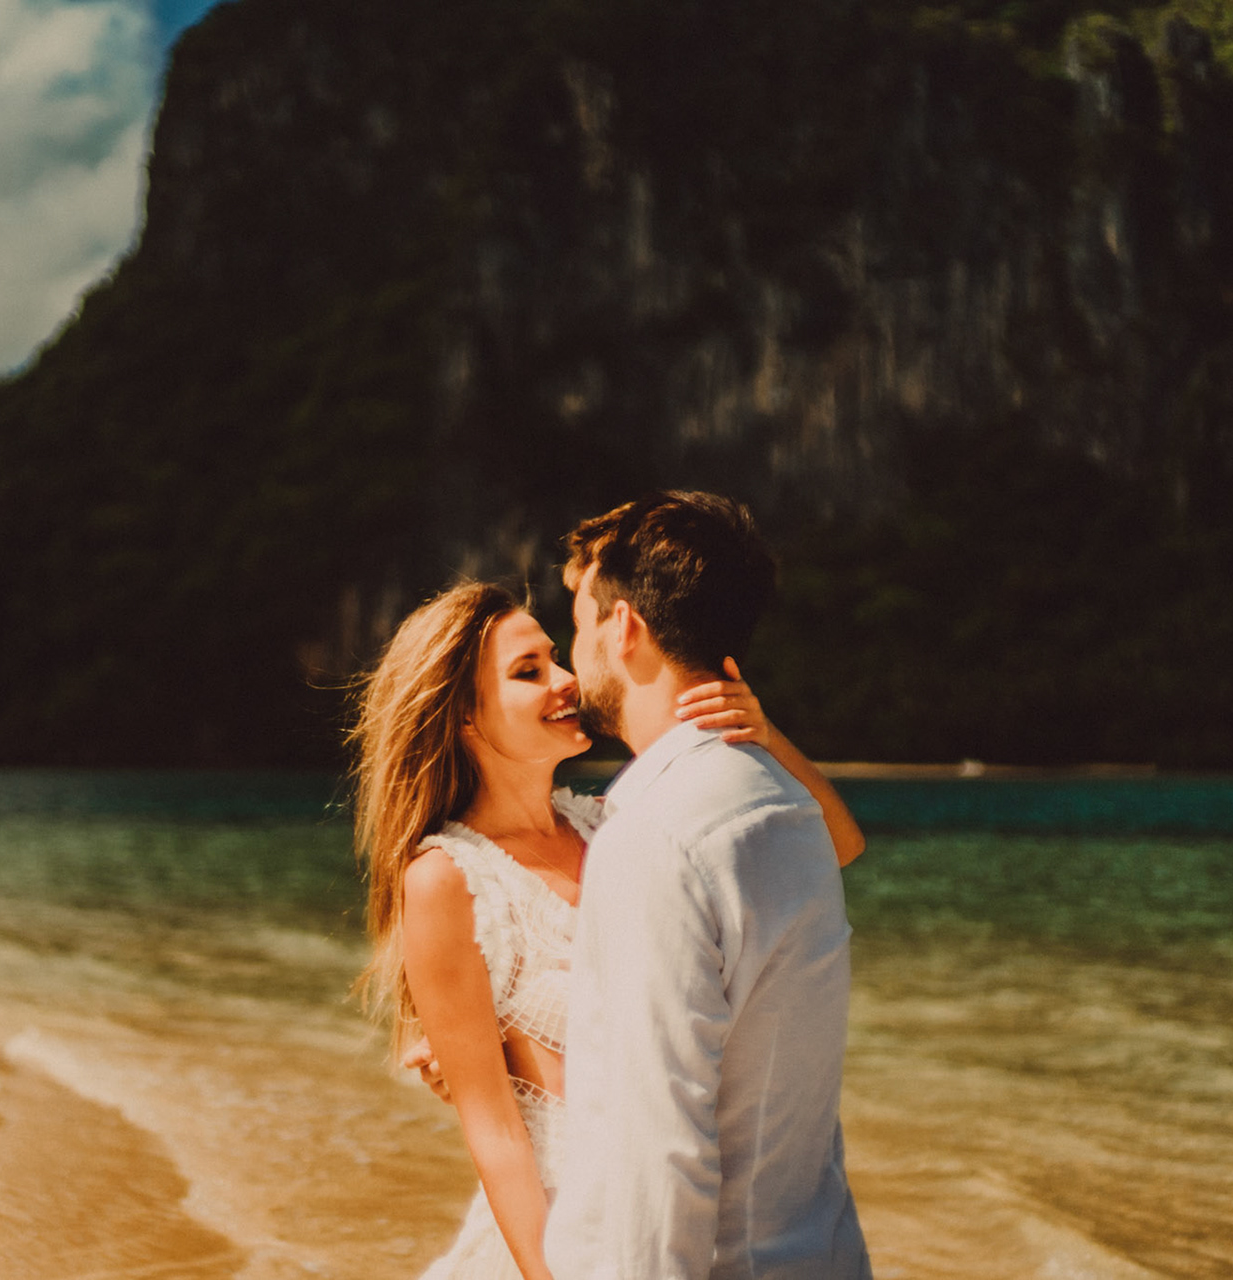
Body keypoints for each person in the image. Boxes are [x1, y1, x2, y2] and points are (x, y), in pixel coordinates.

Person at [348, 528, 862, 1279]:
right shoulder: (449, 879)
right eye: (528, 671)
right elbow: (496, 1134)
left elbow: (833, 844)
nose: (563, 680)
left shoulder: (616, 826)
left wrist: (762, 729)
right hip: (563, 1235)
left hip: (667, 1222)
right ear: (462, 716)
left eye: (556, 655)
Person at [546, 492, 872, 1279]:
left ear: (625, 628)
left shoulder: (653, 838)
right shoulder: (792, 814)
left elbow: (657, 1158)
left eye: (583, 621)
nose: (574, 648)